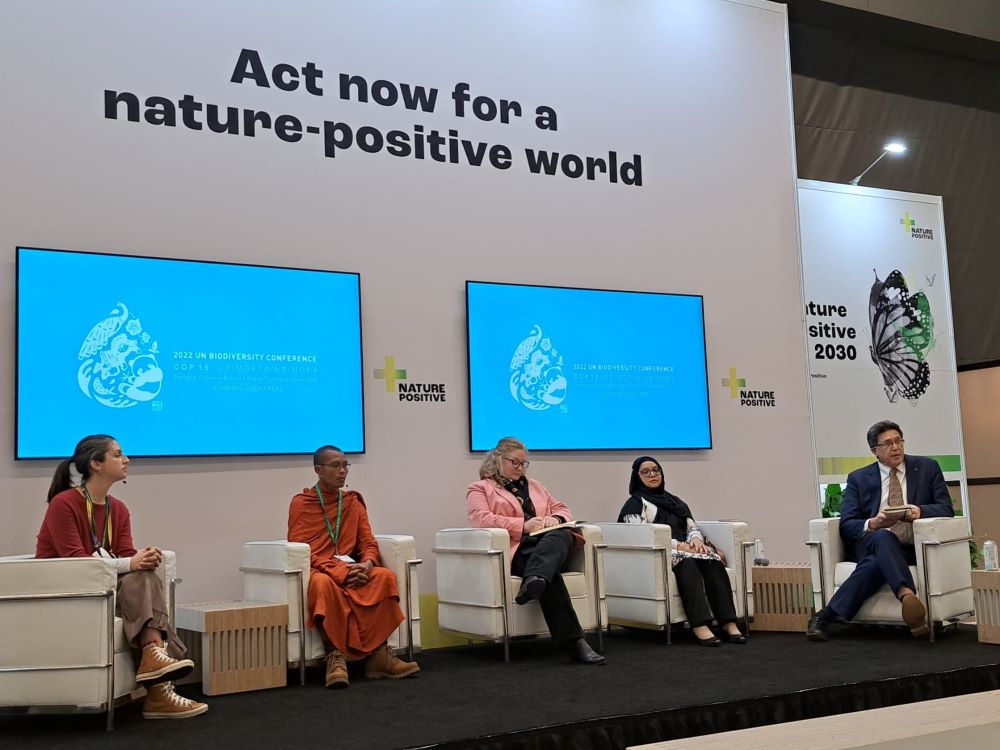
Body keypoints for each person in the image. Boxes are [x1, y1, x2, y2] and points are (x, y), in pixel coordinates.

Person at [35, 435, 207, 719]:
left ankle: (154, 659)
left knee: (145, 572)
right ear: (96, 464)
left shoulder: (118, 507)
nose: (126, 460)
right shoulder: (64, 503)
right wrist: (132, 561)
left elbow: (125, 554)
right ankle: (159, 679)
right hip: (69, 590)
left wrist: (144, 558)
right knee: (140, 574)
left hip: (107, 588)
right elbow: (75, 562)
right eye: (118, 454)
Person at [807, 420, 954, 641]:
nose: (895, 447)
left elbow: (946, 508)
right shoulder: (858, 478)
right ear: (874, 451)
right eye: (888, 443)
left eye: (898, 441)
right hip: (871, 542)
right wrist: (874, 523)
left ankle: (824, 617)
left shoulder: (927, 468)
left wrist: (918, 511)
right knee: (883, 537)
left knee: (875, 564)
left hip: (910, 547)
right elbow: (847, 524)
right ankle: (906, 595)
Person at [288, 445, 419, 688]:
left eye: (345, 465)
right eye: (335, 466)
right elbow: (303, 549)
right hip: (323, 569)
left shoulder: (352, 501)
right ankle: (334, 656)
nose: (342, 471)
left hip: (353, 568)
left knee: (383, 577)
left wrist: (368, 564)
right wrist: (339, 571)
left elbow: (367, 542)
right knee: (321, 583)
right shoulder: (301, 503)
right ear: (318, 469)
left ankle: (379, 656)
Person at [466, 437, 606, 665]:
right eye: (515, 463)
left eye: (524, 464)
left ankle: (535, 578)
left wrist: (555, 518)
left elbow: (563, 508)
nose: (521, 469)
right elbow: (480, 519)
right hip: (519, 549)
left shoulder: (536, 486)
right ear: (498, 460)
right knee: (551, 574)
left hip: (549, 545)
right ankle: (574, 642)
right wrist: (522, 526)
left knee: (561, 533)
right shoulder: (480, 488)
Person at [618, 456, 746, 646]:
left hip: (686, 550)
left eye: (656, 470)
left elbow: (691, 525)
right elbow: (640, 535)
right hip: (660, 553)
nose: (652, 474)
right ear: (637, 477)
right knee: (688, 564)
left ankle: (728, 621)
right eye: (645, 472)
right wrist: (678, 545)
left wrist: (695, 540)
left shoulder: (675, 501)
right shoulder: (635, 504)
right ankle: (699, 624)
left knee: (712, 561)